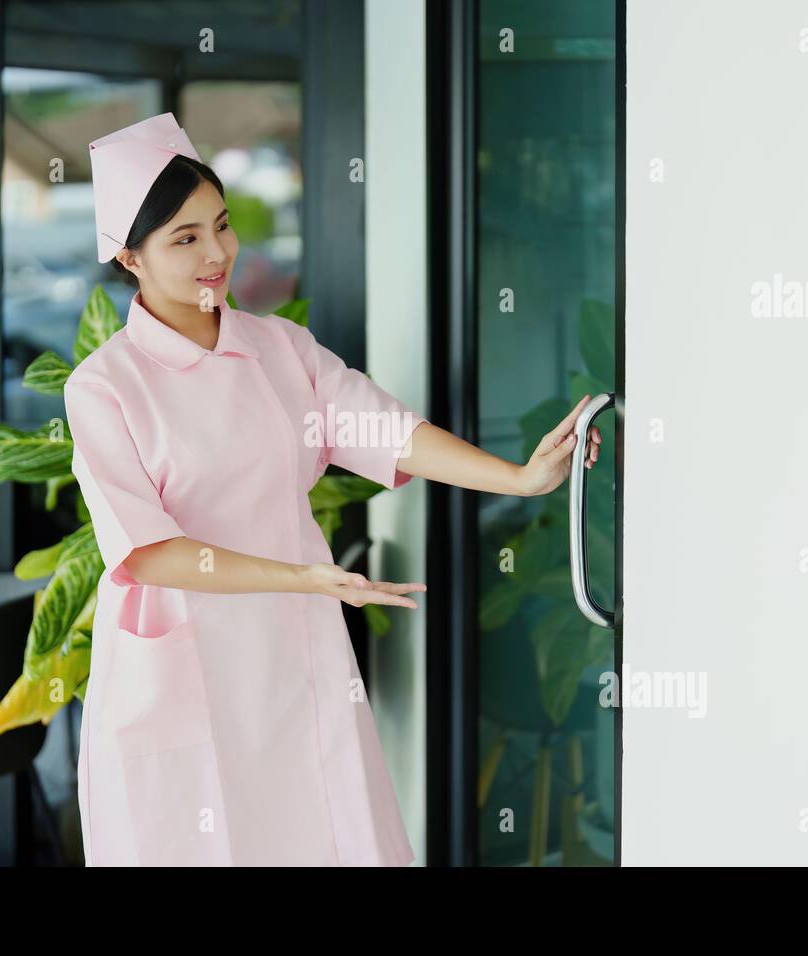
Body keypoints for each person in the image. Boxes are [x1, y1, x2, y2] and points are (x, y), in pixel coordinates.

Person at [68, 112, 601, 866]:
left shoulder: (278, 348)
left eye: (221, 225)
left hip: (294, 657)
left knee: (322, 835)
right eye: (185, 239)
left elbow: (387, 431)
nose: (218, 253)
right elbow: (150, 555)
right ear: (130, 258)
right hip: (185, 670)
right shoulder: (104, 387)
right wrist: (304, 577)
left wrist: (520, 477)